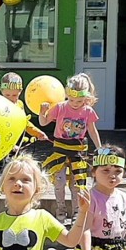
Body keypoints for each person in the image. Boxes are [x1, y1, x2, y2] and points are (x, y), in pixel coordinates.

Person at [39, 73, 102, 223]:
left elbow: (92, 130)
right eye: (72, 100)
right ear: (67, 95)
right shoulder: (60, 107)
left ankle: (76, 212)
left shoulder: (87, 111)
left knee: (77, 184)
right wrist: (42, 113)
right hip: (60, 148)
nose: (75, 103)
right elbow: (43, 123)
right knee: (59, 181)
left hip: (78, 150)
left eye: (79, 101)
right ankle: (60, 209)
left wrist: (99, 148)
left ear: (86, 98)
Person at [0, 72, 49, 198]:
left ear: (20, 91)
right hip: (1, 139)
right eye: (7, 94)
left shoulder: (19, 105)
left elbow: (24, 122)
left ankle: (8, 186)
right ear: (1, 91)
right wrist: (7, 144)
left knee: (13, 164)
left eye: (14, 95)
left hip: (16, 140)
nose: (11, 98)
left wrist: (37, 132)